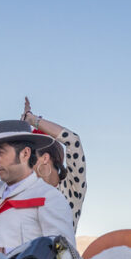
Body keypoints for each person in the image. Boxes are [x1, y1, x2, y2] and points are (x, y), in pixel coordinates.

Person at [0, 120, 76, 253]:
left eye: (0, 153)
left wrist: (5, 252)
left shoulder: (49, 197)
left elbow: (65, 254)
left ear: (25, 154)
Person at [22, 98, 88, 231]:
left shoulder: (72, 188)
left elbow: (73, 140)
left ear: (45, 158)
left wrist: (32, 119)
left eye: (30, 159)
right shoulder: (24, 192)